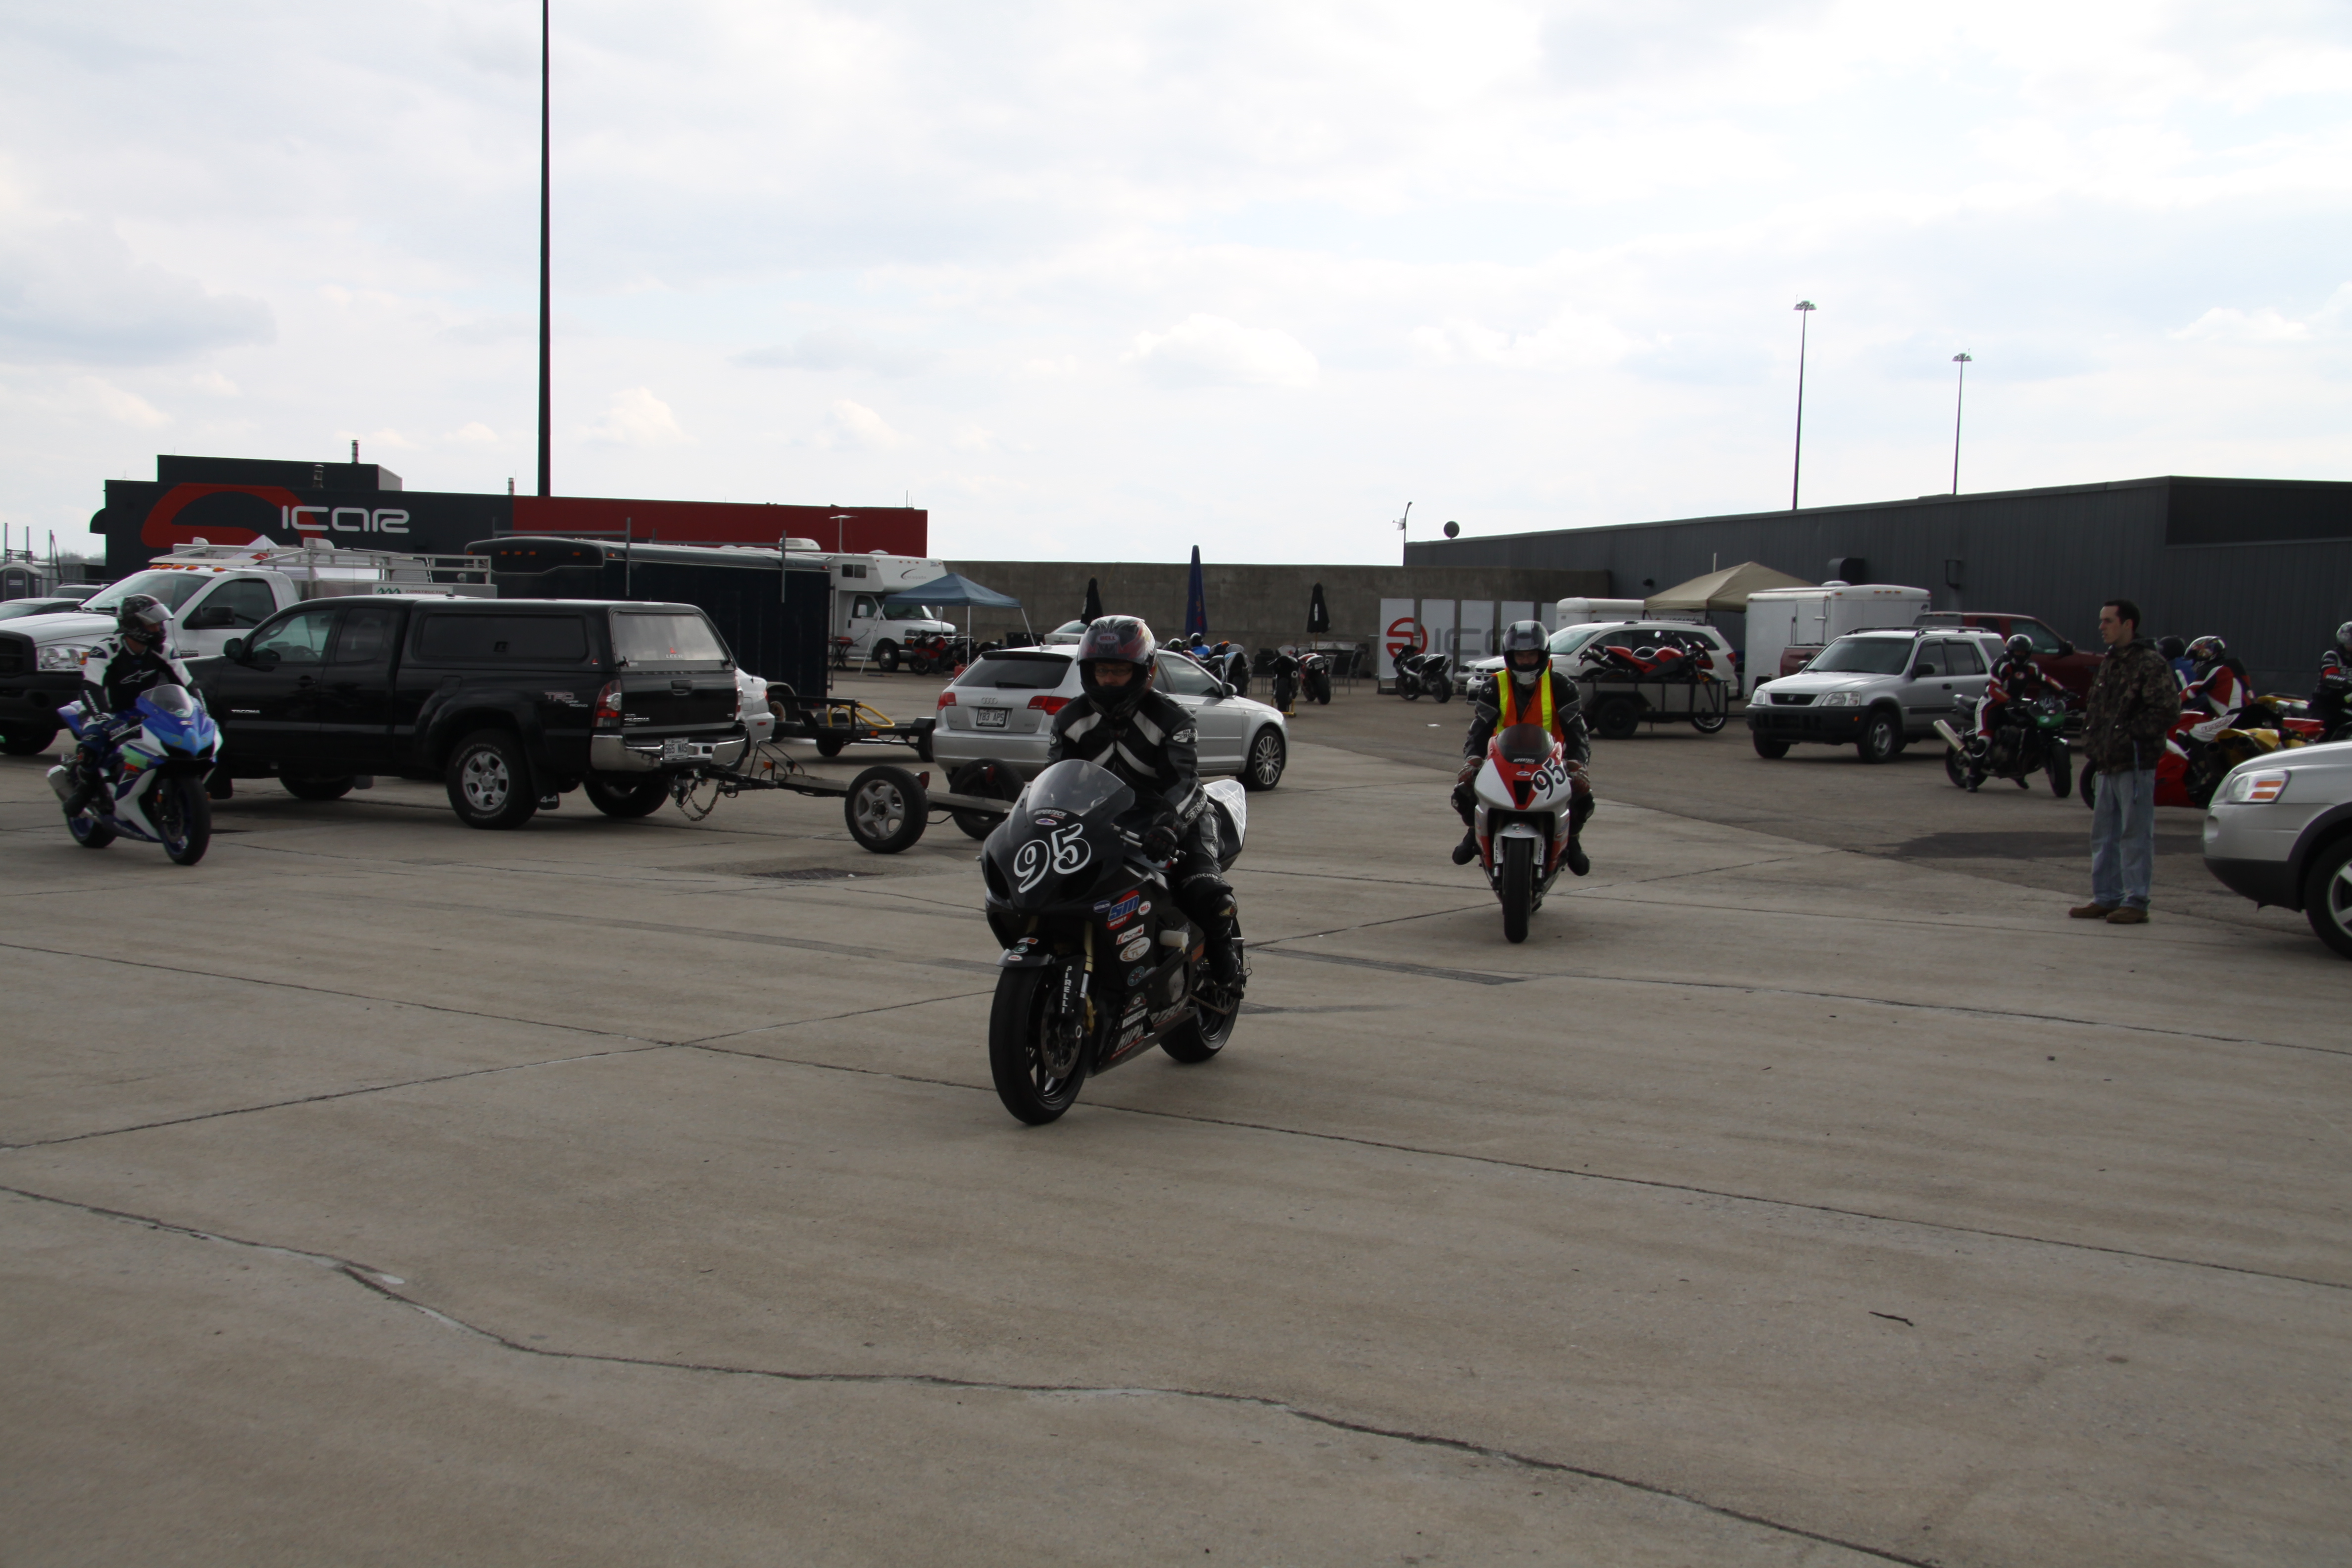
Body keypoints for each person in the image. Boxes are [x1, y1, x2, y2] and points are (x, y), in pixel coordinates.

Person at [1046, 616, 1242, 984]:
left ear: (1144, 672)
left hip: (1177, 818)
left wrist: (1168, 827)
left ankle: (1223, 955)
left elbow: (1183, 782)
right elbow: (1056, 782)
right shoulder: (1070, 719)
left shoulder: (1173, 719)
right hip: (1106, 822)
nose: (1109, 679)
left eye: (1120, 670)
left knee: (1206, 892)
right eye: (1102, 670)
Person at [1451, 619, 1595, 874]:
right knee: (1463, 791)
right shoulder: (1495, 685)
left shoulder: (1562, 686)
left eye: (1531, 656)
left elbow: (1577, 732)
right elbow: (1479, 730)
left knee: (1584, 796)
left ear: (1543, 655)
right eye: (1521, 656)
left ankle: (1572, 839)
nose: (1526, 662)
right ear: (1510, 657)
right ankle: (1474, 831)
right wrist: (1472, 760)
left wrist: (1577, 764)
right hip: (1502, 760)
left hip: (1550, 762)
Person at [2074, 599, 2179, 926]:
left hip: (2135, 763)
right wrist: (2094, 740)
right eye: (2102, 620)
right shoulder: (2111, 661)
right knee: (2104, 835)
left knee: (2135, 834)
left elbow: (2166, 710)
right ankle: (2106, 897)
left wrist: (2127, 734)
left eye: (2108, 621)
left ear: (2128, 624)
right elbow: (2097, 706)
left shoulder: (2150, 663)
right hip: (2108, 762)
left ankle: (2136, 900)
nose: (2102, 627)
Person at [60, 593, 190, 816]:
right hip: (107, 711)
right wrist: (103, 718)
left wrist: (202, 712)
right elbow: (90, 687)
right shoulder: (105, 650)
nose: (158, 629)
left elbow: (188, 684)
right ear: (133, 625)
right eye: (152, 624)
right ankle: (84, 793)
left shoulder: (164, 651)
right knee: (94, 743)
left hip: (145, 712)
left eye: (159, 624)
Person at [1967, 633, 2062, 789]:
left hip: (2014, 705)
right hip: (1991, 706)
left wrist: (2064, 692)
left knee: (2025, 732)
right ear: (2011, 651)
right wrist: (2009, 700)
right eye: (2018, 652)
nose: (2021, 655)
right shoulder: (2001, 664)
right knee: (1985, 740)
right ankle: (1972, 778)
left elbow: (2045, 680)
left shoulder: (2031, 666)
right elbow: (1994, 688)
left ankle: (2018, 771)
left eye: (2024, 652)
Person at [2180, 635, 2254, 744]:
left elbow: (2190, 693)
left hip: (2235, 717)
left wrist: (2167, 704)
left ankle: (2200, 757)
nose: (2194, 661)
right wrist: (2192, 711)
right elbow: (2220, 701)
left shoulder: (2213, 669)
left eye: (2196, 656)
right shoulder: (2232, 667)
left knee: (2185, 732)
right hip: (2249, 715)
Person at [2310, 622, 2352, 739]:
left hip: (2347, 703)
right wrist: (2346, 682)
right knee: (2324, 731)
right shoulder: (2332, 656)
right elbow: (2329, 675)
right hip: (2326, 704)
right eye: (2350, 642)